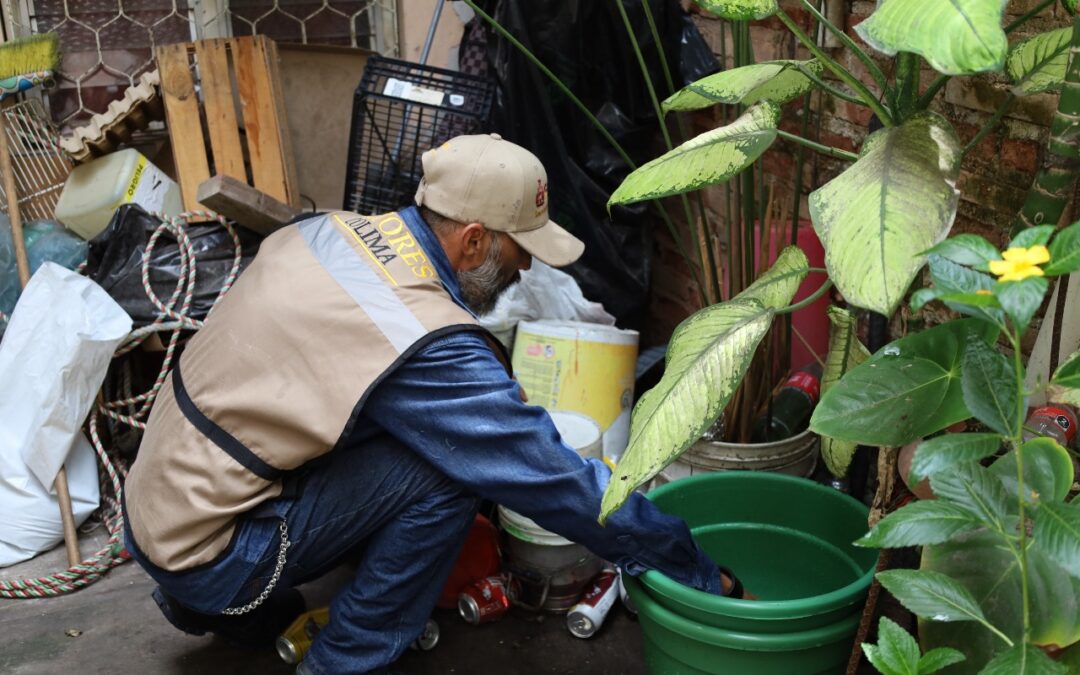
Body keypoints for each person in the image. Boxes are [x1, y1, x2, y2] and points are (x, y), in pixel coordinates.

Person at [122, 133, 741, 675]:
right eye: (521, 249)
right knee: (449, 467)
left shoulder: (328, 231)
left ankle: (215, 606)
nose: (526, 268)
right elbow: (551, 477)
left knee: (445, 438)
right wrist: (686, 562)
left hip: (159, 506)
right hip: (214, 550)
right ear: (473, 242)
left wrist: (483, 395)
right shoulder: (420, 335)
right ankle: (346, 660)